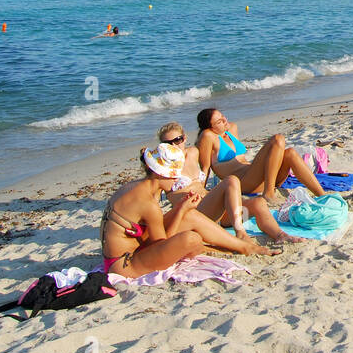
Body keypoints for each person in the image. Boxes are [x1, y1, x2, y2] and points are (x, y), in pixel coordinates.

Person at [157, 122, 301, 247]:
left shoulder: (193, 152)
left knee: (258, 203)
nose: (175, 145)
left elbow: (207, 165)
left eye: (178, 140)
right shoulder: (162, 168)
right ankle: (240, 232)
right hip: (198, 215)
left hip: (219, 214)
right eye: (169, 143)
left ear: (184, 138)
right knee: (231, 180)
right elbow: (151, 194)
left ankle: (280, 235)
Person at [99, 144, 207, 277]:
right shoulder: (149, 204)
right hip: (125, 266)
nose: (176, 180)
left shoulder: (131, 187)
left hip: (116, 259)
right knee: (192, 239)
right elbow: (162, 244)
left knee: (190, 217)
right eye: (173, 176)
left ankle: (238, 246)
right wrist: (181, 210)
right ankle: (224, 248)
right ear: (160, 173)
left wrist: (181, 207)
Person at [196, 108, 326, 206]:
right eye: (219, 121)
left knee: (290, 153)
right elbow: (205, 167)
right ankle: (268, 193)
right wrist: (201, 191)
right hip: (244, 183)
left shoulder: (232, 128)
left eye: (222, 116)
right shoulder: (207, 136)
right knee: (277, 139)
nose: (225, 120)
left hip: (264, 177)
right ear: (210, 128)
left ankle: (322, 195)